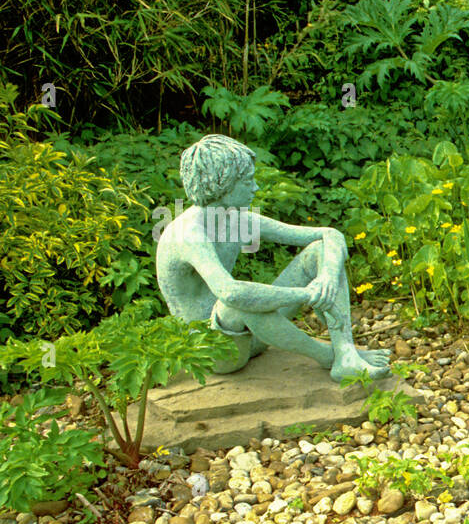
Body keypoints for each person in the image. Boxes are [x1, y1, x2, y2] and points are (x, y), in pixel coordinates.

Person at [157, 134, 390, 381]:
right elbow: (230, 293)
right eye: (247, 181)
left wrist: (327, 281)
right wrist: (307, 295)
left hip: (252, 337)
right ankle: (327, 355)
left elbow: (329, 235)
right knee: (240, 299)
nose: (255, 187)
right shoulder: (188, 234)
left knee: (319, 252)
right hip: (215, 353)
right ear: (221, 185)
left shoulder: (236, 219)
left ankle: (346, 355)